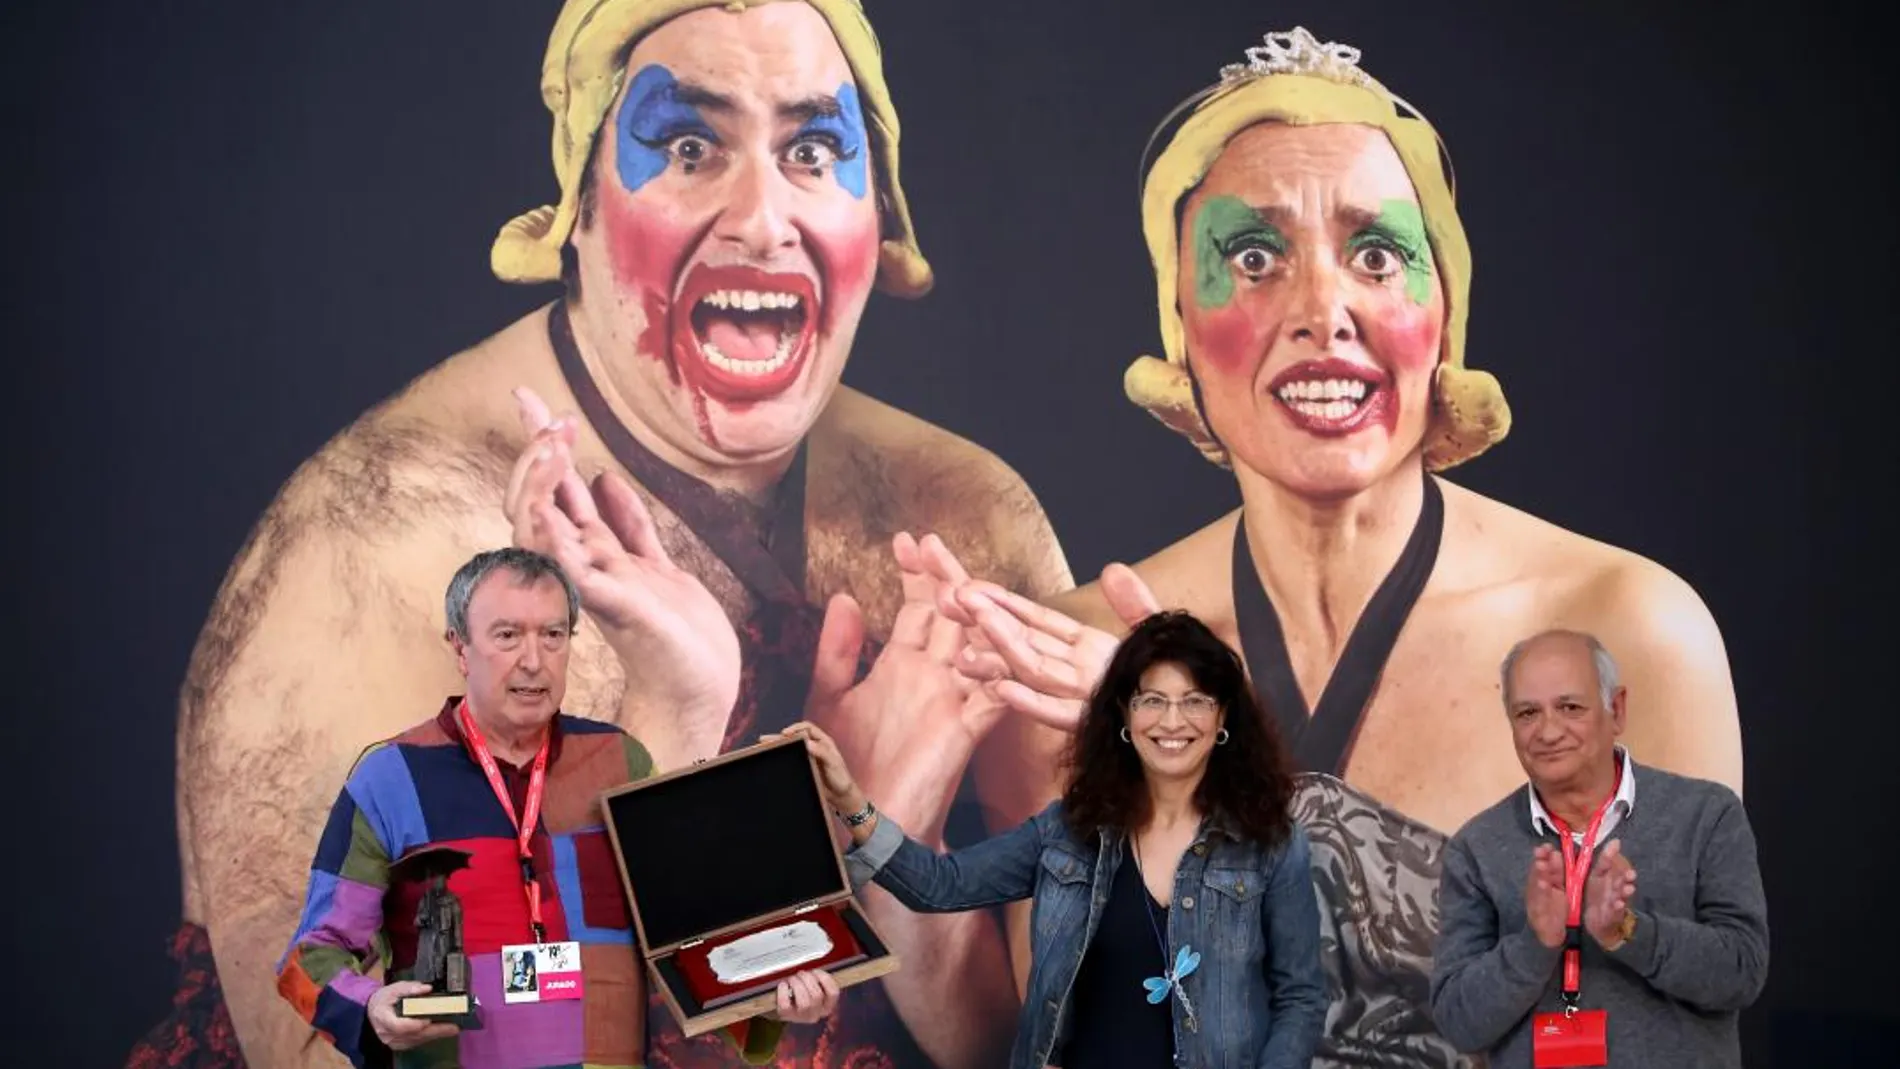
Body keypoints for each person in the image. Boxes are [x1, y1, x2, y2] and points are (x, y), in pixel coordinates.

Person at [150, 2, 1071, 1067]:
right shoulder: (374, 551)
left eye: (814, 149)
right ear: (579, 204)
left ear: (880, 217)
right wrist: (686, 734)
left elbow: (1059, 1033)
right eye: (689, 146)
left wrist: (896, 868)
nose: (763, 218)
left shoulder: (963, 510)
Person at [905, 24, 1743, 1067]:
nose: (1321, 311)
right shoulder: (1070, 665)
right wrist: (886, 832)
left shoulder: (1630, 633)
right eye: (1251, 257)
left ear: (1443, 313)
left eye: (1378, 252)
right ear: (1178, 323)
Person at [275, 548, 842, 1068]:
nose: (533, 661)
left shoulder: (621, 761)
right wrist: (371, 1010)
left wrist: (771, 998)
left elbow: (685, 935)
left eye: (553, 635)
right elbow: (310, 958)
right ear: (459, 648)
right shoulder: (390, 777)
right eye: (507, 636)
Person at [776, 611, 1327, 1069]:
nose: (1172, 720)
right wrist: (851, 798)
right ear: (1123, 718)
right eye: (1151, 701)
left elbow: (1299, 997)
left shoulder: (1270, 844)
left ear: (1224, 718)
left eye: (1195, 701)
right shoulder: (1066, 834)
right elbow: (938, 886)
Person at [1429, 630, 1769, 1066]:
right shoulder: (1475, 848)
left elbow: (1741, 973)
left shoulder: (1706, 815)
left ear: (1617, 709)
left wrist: (1627, 930)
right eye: (1527, 712)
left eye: (1570, 707)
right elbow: (1459, 1021)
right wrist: (1535, 945)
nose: (1548, 731)